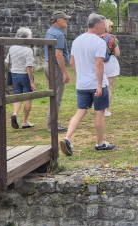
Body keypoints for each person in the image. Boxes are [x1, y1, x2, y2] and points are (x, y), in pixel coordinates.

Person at [60, 13, 116, 156]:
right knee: (99, 112)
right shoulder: (99, 42)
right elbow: (99, 64)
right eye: (103, 24)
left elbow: (72, 62)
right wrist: (99, 85)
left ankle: (67, 137)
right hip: (96, 84)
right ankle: (100, 143)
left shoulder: (77, 40)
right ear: (97, 25)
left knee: (80, 111)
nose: (105, 27)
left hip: (82, 84)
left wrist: (81, 75)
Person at [45, 11, 71, 132]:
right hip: (55, 66)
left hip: (48, 64)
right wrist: (65, 72)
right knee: (57, 96)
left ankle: (51, 121)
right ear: (58, 20)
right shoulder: (59, 34)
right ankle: (52, 124)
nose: (67, 21)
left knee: (53, 94)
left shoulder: (50, 31)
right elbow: (58, 54)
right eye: (65, 19)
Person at [6, 27, 37, 129]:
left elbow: (7, 62)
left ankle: (14, 114)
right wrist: (32, 82)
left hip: (14, 74)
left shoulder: (12, 48)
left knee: (18, 96)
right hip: (25, 75)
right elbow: (29, 67)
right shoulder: (28, 50)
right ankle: (25, 121)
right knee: (28, 98)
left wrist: (14, 67)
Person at [100, 20, 121, 117]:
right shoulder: (112, 38)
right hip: (110, 62)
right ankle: (106, 110)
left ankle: (99, 108)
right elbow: (117, 53)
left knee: (100, 86)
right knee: (109, 88)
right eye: (111, 26)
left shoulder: (97, 37)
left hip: (99, 62)